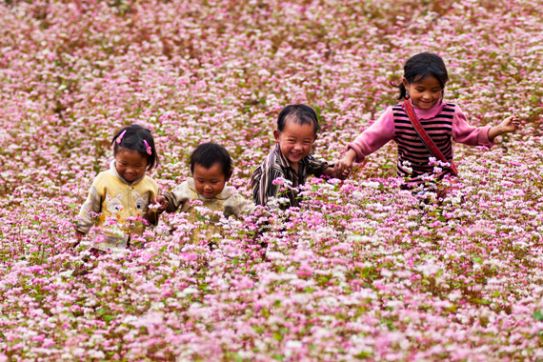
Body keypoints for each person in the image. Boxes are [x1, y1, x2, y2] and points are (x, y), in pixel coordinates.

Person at [336, 52, 521, 190]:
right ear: (406, 84)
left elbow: (470, 134)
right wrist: (349, 156)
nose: (427, 96)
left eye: (434, 90)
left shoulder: (450, 112)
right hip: (409, 183)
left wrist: (499, 129)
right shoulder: (396, 114)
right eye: (420, 89)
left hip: (444, 182)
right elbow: (370, 138)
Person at [75, 124, 160, 252]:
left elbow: (152, 221)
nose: (130, 170)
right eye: (123, 163)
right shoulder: (103, 180)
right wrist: (80, 231)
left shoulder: (150, 186)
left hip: (136, 249)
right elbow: (90, 207)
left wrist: (156, 211)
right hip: (104, 246)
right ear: (115, 156)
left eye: (138, 165)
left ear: (148, 163)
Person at [251, 104, 340, 208]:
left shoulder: (303, 159)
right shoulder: (274, 169)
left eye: (306, 142)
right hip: (276, 221)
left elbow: (316, 165)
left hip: (293, 219)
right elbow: (268, 210)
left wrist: (332, 170)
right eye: (292, 140)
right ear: (277, 136)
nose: (298, 147)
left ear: (314, 140)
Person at [156, 142, 253, 219]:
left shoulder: (231, 197)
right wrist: (164, 202)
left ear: (227, 176)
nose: (207, 187)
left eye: (214, 182)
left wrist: (261, 214)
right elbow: (172, 200)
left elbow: (248, 211)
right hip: (186, 238)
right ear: (192, 174)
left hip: (216, 241)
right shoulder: (187, 187)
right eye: (201, 181)